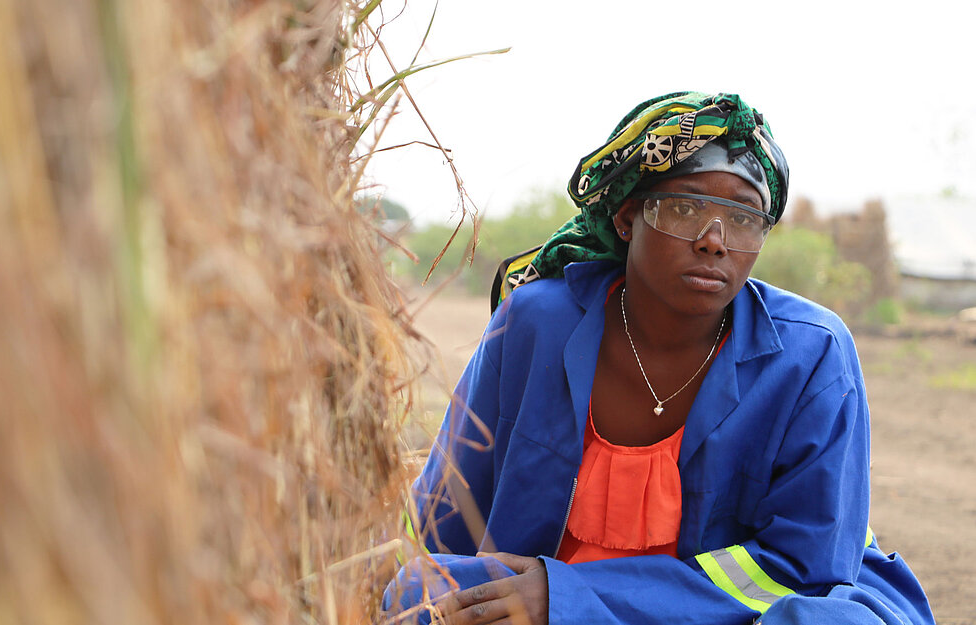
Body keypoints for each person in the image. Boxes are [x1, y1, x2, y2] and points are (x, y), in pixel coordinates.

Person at [383, 92, 935, 625]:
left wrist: (571, 599)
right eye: (686, 206)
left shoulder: (812, 353)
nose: (714, 240)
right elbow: (445, 513)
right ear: (627, 218)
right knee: (413, 593)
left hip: (730, 612)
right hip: (540, 602)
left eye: (744, 217)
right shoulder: (536, 322)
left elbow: (805, 569)